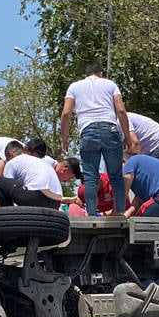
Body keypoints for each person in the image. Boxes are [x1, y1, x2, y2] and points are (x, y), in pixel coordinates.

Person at [60, 62, 131, 215]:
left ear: (86, 74)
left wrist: (64, 139)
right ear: (101, 73)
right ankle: (119, 214)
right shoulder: (110, 84)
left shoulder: (74, 87)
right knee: (116, 177)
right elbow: (121, 110)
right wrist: (126, 137)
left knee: (91, 178)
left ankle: (91, 215)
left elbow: (66, 114)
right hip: (110, 130)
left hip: (88, 131)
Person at [0, 140, 82, 209]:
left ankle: (8, 216)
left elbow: (7, 191)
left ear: (10, 155)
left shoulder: (12, 162)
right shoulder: (42, 162)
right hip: (55, 203)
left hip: (36, 197)